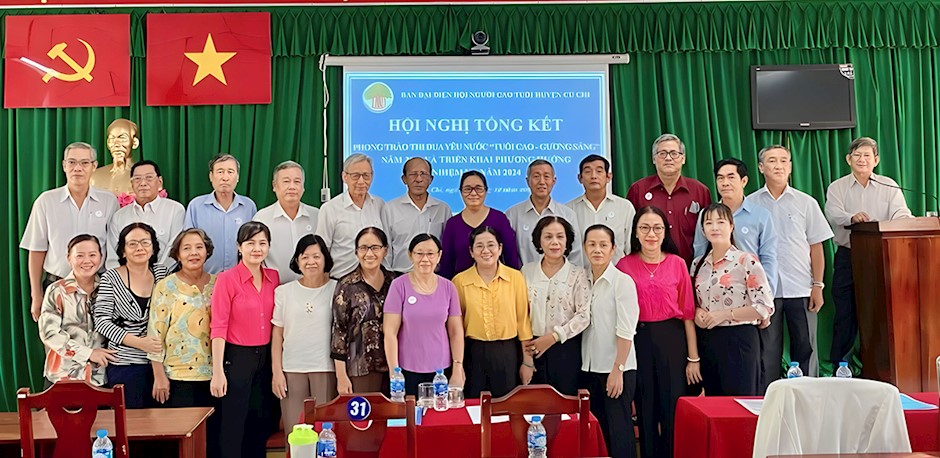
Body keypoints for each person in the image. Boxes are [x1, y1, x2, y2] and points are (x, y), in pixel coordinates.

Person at [615, 206, 699, 458]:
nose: (651, 234)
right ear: (635, 232)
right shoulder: (624, 265)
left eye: (657, 228)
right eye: (644, 228)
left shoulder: (677, 264)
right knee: (645, 406)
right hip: (637, 339)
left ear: (665, 232)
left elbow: (687, 314)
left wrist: (693, 358)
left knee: (673, 405)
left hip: (672, 340)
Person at [825, 137, 912, 367]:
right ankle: (840, 367)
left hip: (881, 257)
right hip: (848, 257)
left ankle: (879, 366)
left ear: (876, 160)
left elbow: (901, 213)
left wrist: (907, 222)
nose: (862, 159)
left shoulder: (888, 185)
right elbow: (833, 214)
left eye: (867, 155)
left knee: (879, 313)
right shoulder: (837, 187)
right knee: (845, 313)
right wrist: (851, 218)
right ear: (848, 159)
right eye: (857, 155)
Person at [747, 145, 834, 377]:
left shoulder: (806, 202)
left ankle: (808, 391)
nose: (779, 166)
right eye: (772, 161)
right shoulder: (750, 204)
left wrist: (818, 285)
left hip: (801, 287)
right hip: (765, 290)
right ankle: (769, 393)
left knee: (806, 347)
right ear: (761, 167)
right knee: (767, 350)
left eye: (784, 160)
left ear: (791, 167)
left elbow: (816, 247)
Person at [693, 158, 778, 392]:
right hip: (708, 340)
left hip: (740, 337)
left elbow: (763, 305)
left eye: (720, 222)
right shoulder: (697, 265)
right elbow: (693, 301)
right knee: (714, 402)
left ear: (731, 226)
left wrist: (724, 315)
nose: (714, 227)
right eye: (709, 223)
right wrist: (698, 313)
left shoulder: (746, 260)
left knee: (741, 400)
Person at [21, 141, 119, 321]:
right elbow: (36, 250)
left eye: (84, 163)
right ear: (64, 165)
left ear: (94, 166)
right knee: (55, 338)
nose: (77, 168)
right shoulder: (46, 201)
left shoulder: (109, 201)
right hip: (57, 284)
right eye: (72, 162)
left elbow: (115, 246)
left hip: (98, 288)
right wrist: (36, 294)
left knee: (98, 338)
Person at [209, 221, 279, 458]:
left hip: (266, 358)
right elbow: (218, 326)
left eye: (262, 243)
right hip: (237, 357)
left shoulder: (273, 277)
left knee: (260, 421)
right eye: (250, 243)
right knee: (233, 423)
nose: (257, 249)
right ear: (239, 247)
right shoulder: (226, 279)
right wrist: (218, 371)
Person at [92, 222, 170, 408]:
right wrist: (139, 343)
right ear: (123, 251)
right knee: (131, 420)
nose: (139, 248)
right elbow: (101, 321)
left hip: (161, 362)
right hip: (124, 363)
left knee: (162, 420)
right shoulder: (111, 278)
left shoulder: (163, 274)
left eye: (145, 242)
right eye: (132, 244)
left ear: (153, 247)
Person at [452, 226, 533, 399]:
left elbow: (523, 322)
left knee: (506, 405)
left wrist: (527, 362)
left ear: (500, 248)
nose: (485, 250)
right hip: (473, 352)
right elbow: (456, 327)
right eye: (479, 246)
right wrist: (457, 365)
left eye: (491, 245)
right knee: (475, 404)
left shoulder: (515, 278)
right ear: (471, 252)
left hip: (507, 352)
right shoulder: (459, 281)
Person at [581, 224, 639, 458]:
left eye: (603, 245)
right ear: (584, 247)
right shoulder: (582, 280)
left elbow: (626, 329)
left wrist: (618, 369)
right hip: (589, 368)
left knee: (619, 433)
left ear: (613, 249)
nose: (597, 250)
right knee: (598, 431)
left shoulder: (622, 282)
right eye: (592, 244)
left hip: (616, 368)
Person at [272, 235, 338, 434]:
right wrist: (277, 372)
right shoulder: (283, 292)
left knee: (325, 431)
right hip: (291, 369)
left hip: (325, 367)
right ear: (297, 261)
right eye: (305, 257)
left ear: (325, 258)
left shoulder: (337, 289)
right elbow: (277, 335)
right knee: (295, 432)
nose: (311, 262)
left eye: (316, 256)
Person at [384, 234, 465, 395]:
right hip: (407, 370)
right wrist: (394, 373)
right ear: (410, 255)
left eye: (430, 254)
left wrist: (458, 368)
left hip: (441, 371)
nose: (425, 259)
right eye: (419, 253)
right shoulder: (399, 285)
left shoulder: (448, 287)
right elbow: (390, 332)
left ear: (439, 256)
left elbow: (456, 332)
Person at [520, 216, 590, 396]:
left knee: (565, 405)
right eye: (548, 237)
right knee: (534, 405)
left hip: (565, 349)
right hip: (531, 348)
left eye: (560, 236)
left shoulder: (578, 274)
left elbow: (584, 315)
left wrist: (554, 337)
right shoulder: (526, 272)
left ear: (567, 241)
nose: (554, 242)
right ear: (539, 241)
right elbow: (520, 314)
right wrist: (527, 359)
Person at [147, 228, 216, 408]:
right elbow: (155, 333)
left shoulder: (218, 284)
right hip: (177, 375)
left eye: (199, 247)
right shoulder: (166, 286)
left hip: (215, 375)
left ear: (207, 251)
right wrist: (159, 376)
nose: (194, 253)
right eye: (186, 248)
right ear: (177, 254)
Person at [38, 234, 116, 387]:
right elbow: (49, 333)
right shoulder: (56, 290)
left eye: (92, 255)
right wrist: (88, 354)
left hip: (101, 375)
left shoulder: (109, 288)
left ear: (101, 257)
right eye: (79, 256)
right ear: (69, 258)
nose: (87, 261)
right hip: (62, 375)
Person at [627, 134, 712, 264]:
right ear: (654, 159)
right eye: (662, 153)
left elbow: (709, 233)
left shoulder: (700, 191)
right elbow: (631, 233)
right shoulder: (638, 190)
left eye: (674, 153)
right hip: (648, 267)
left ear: (683, 158)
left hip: (691, 267)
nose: (668, 158)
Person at [331, 227, 397, 394]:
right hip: (360, 367)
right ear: (356, 252)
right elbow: (339, 331)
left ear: (385, 250)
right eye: (363, 248)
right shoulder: (346, 285)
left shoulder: (396, 282)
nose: (369, 253)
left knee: (395, 410)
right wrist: (341, 375)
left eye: (375, 247)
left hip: (395, 365)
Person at [439, 171, 522, 279]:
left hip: (497, 284)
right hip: (462, 285)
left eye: (478, 188)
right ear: (461, 192)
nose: (473, 193)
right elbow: (447, 263)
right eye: (467, 189)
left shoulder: (499, 219)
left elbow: (511, 257)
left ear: (486, 191)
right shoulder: (453, 224)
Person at [184, 154, 258, 274]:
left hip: (239, 278)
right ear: (211, 176)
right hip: (204, 277)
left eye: (230, 172)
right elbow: (187, 244)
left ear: (238, 177)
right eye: (220, 172)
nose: (225, 177)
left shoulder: (248, 206)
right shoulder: (196, 206)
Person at [316, 154, 386, 278]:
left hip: (374, 280)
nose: (361, 181)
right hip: (341, 280)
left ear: (372, 176)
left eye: (366, 175)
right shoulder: (330, 209)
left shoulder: (379, 205)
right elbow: (322, 250)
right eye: (355, 176)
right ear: (344, 177)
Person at [107, 160, 185, 269]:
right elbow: (113, 255)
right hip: (125, 277)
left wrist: (156, 275)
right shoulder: (119, 216)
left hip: (165, 276)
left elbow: (174, 248)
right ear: (131, 184)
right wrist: (124, 277)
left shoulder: (175, 210)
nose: (143, 183)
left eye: (149, 178)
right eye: (137, 179)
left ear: (160, 182)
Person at [381, 157, 452, 272]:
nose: (418, 179)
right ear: (404, 179)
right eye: (413, 174)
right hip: (401, 275)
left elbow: (448, 247)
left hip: (434, 276)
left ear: (431, 179)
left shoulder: (442, 209)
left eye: (423, 174)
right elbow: (386, 248)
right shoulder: (390, 209)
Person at [253, 160, 319, 283]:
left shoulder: (317, 216)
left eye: (297, 182)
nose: (292, 187)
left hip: (312, 288)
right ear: (274, 186)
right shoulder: (262, 218)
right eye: (286, 181)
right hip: (275, 289)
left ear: (303, 187)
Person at [507, 160, 582, 265]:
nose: (541, 182)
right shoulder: (512, 215)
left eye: (546, 176)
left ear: (554, 181)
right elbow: (508, 253)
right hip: (524, 275)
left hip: (561, 275)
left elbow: (575, 255)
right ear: (528, 181)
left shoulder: (567, 214)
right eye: (536, 176)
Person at [567, 154, 636, 265]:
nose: (593, 176)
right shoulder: (569, 210)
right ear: (580, 178)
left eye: (599, 171)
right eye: (588, 171)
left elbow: (630, 247)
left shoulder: (624, 207)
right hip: (579, 273)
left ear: (608, 177)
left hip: (616, 272)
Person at [90, 118, 139, 196]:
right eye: (112, 139)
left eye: (122, 138)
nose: (116, 144)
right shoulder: (94, 177)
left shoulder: (143, 177)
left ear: (134, 143)